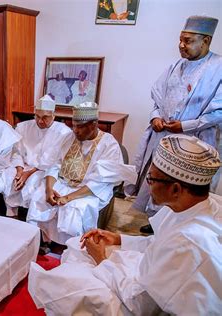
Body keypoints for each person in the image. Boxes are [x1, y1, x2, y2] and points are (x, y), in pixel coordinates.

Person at [29, 134, 221, 315]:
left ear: (176, 189)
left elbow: (140, 304)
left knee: (69, 283)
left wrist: (101, 260)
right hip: (145, 276)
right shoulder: (196, 204)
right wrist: (118, 238)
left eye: (151, 179)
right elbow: (158, 242)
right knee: (76, 246)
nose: (147, 186)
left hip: (140, 300)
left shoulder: (188, 242)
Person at [125, 16, 222, 233]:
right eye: (180, 40)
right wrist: (155, 117)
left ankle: (180, 228)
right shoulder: (175, 66)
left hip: (195, 141)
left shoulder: (218, 68)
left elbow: (219, 112)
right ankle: (157, 223)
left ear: (205, 41)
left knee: (184, 187)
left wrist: (185, 126)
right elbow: (157, 98)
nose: (181, 46)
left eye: (188, 41)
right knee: (162, 181)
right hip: (164, 137)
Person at [27, 102, 136, 248]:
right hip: (63, 183)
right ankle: (44, 242)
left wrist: (68, 197)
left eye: (80, 127)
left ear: (94, 124)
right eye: (73, 126)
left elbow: (99, 182)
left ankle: (71, 249)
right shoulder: (68, 138)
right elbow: (54, 165)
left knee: (73, 209)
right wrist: (48, 189)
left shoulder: (108, 144)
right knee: (38, 198)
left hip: (90, 190)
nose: (75, 131)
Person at [3, 95, 71, 217]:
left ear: (53, 116)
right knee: (8, 177)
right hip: (23, 166)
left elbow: (54, 161)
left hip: (44, 170)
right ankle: (12, 217)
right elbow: (16, 152)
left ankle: (31, 223)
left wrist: (28, 173)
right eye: (37, 116)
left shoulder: (63, 133)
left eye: (45, 117)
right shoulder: (23, 127)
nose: (40, 121)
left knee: (33, 184)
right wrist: (19, 170)